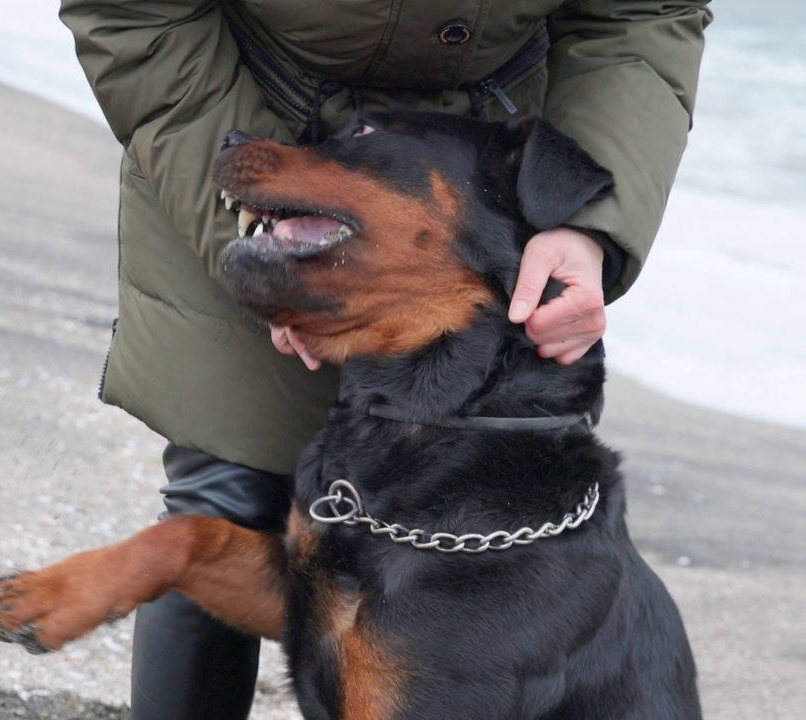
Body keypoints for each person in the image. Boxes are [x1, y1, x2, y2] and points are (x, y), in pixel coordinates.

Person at [57, 1, 711, 718]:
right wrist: (269, 237)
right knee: (229, 482)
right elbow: (133, 16)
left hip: (494, 179)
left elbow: (641, 16)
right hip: (226, 101)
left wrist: (592, 228)